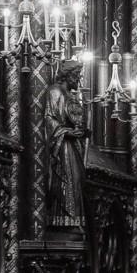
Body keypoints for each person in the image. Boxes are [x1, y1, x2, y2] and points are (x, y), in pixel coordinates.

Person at [43, 61, 88, 229]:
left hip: (73, 146)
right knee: (68, 179)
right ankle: (63, 221)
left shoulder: (70, 95)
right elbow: (50, 119)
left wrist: (81, 131)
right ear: (69, 75)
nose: (79, 79)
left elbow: (74, 117)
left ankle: (73, 221)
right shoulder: (55, 91)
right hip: (62, 147)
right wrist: (67, 132)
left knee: (77, 181)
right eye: (77, 75)